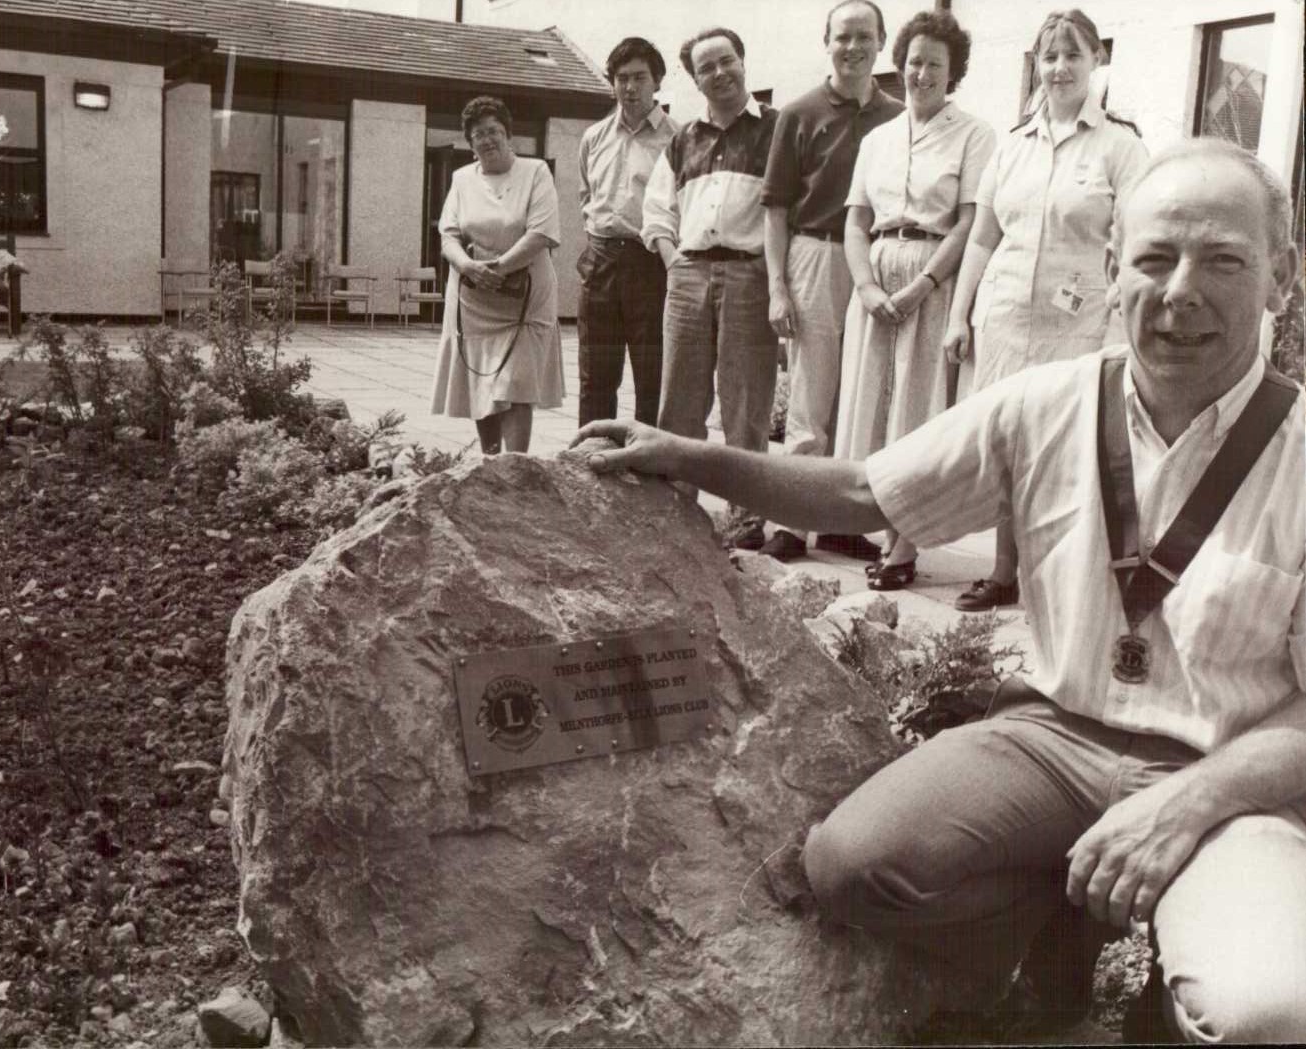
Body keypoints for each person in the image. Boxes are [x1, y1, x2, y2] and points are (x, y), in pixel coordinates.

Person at [574, 138, 1305, 1044]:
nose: (1179, 289)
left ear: (1280, 275)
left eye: (1223, 260)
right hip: (1050, 737)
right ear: (1114, 268)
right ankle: (1056, 926)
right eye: (1154, 256)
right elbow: (860, 493)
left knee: (1265, 1010)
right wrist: (689, 456)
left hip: (1234, 774)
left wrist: (1184, 803)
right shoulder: (1042, 404)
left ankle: (1166, 985)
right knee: (852, 865)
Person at [940, 8, 1147, 611]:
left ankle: (1057, 582)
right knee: (1008, 445)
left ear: (1096, 61)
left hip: (1078, 331)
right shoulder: (1011, 147)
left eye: (1073, 55)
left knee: (1068, 453)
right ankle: (1003, 571)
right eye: (1049, 56)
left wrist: (1118, 324)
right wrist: (958, 316)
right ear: (1037, 64)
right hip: (1004, 321)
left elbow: (1132, 242)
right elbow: (982, 236)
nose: (1060, 69)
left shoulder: (1121, 146)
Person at [831, 9, 994, 590]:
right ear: (897, 65)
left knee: (917, 411)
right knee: (869, 403)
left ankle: (903, 546)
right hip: (874, 274)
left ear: (953, 74)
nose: (920, 73)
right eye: (913, 61)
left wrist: (924, 285)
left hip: (933, 274)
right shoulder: (877, 138)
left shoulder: (975, 135)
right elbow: (856, 222)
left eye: (935, 64)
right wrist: (867, 286)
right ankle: (857, 524)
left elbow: (971, 223)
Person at [757, 0, 903, 563]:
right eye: (843, 37)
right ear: (828, 42)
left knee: (860, 397)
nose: (854, 47)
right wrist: (777, 286)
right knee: (811, 400)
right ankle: (792, 522)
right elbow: (775, 210)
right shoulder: (798, 113)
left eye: (864, 36)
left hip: (876, 258)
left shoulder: (898, 115)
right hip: (816, 253)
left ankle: (842, 521)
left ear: (881, 41)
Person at [641, 27, 780, 551]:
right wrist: (675, 262)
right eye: (706, 68)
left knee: (746, 402)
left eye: (727, 61)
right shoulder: (683, 140)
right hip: (689, 272)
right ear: (694, 79)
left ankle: (746, 520)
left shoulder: (776, 131)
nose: (719, 73)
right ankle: (676, 509)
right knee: (680, 398)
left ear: (743, 62)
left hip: (750, 275)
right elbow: (656, 211)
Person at [430, 96, 563, 454]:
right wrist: (467, 266)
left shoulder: (535, 172)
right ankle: (489, 465)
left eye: (493, 131)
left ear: (509, 136)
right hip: (474, 298)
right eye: (478, 135)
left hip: (525, 297)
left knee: (515, 385)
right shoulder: (461, 179)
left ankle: (515, 467)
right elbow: (449, 235)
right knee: (481, 380)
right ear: (470, 144)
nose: (487, 140)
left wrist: (499, 269)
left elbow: (542, 233)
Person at [576, 37, 678, 429]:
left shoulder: (678, 138)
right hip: (600, 261)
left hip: (650, 263)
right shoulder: (594, 137)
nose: (630, 88)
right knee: (596, 375)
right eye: (621, 79)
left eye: (639, 78)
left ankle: (648, 473)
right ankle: (590, 461)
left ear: (657, 82)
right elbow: (587, 195)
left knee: (652, 377)